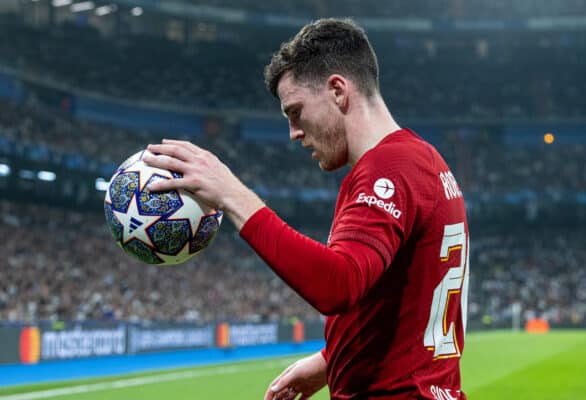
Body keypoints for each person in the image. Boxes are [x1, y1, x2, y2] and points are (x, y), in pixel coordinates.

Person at [143, 18, 470, 400]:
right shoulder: (425, 160)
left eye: (295, 111)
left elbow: (339, 283)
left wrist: (232, 194)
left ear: (337, 91)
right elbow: (405, 299)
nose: (293, 132)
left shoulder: (389, 169)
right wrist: (330, 362)